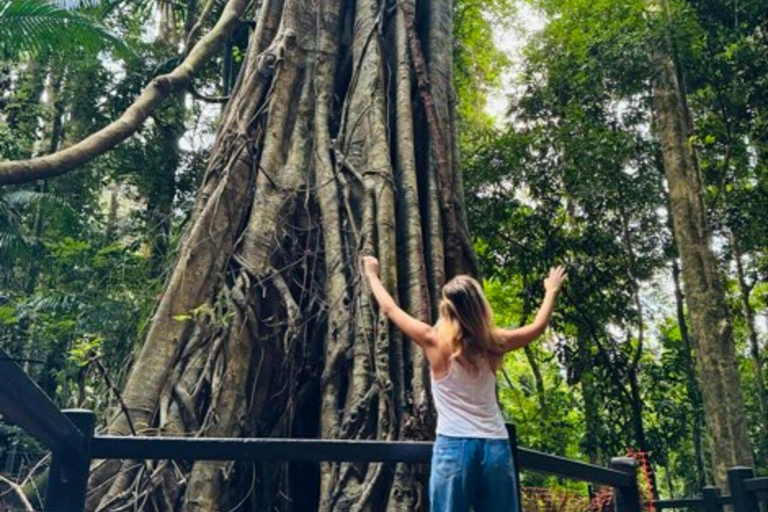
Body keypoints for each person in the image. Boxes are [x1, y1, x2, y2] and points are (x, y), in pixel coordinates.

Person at [361, 256, 567, 512]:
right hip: (495, 447)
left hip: (454, 446)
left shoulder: (433, 340)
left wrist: (371, 275)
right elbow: (537, 327)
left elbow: (390, 309)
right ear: (480, 307)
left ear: (447, 308)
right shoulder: (495, 342)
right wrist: (551, 291)